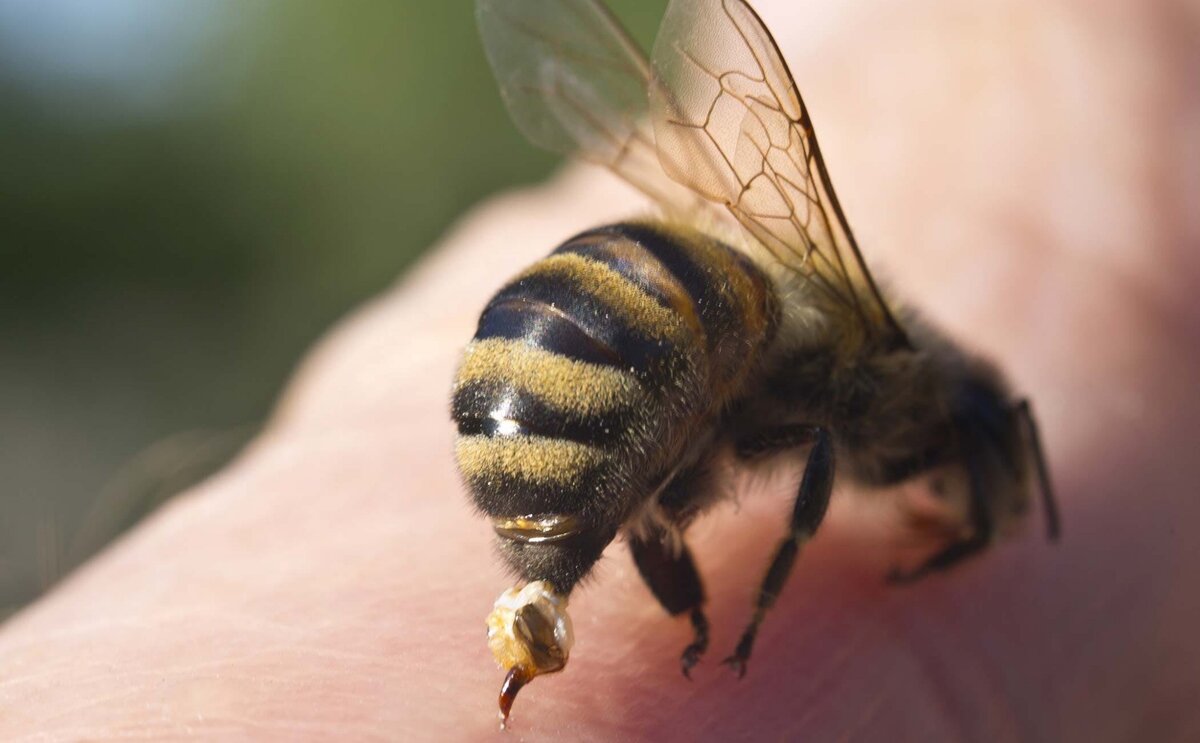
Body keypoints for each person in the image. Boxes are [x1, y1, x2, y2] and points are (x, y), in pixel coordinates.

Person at [1, 0, 1197, 738]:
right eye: (971, 470)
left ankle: (563, 573)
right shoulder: (870, 378)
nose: (955, 491)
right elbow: (793, 439)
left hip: (570, 340)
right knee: (720, 405)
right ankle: (612, 585)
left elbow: (697, 433)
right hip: (628, 341)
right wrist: (761, 610)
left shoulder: (779, 338)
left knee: (690, 402)